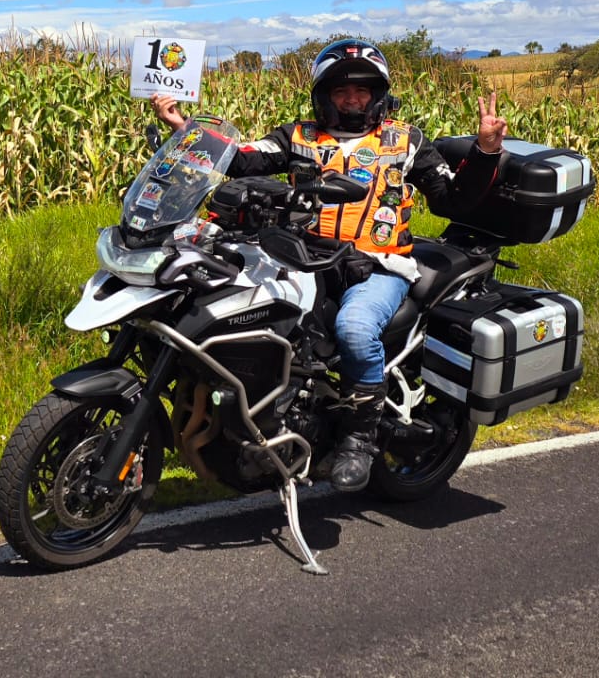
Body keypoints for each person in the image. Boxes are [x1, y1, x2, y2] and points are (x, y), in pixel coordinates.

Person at [151, 38, 505, 492]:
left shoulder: (405, 141)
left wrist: (486, 150)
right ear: (324, 95)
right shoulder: (298, 137)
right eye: (341, 91)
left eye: (361, 91)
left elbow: (454, 200)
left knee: (356, 329)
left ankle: (359, 438)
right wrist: (186, 129)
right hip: (303, 260)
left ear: (377, 95)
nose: (352, 99)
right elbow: (242, 160)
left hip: (378, 266)